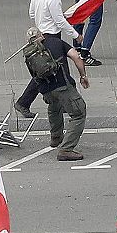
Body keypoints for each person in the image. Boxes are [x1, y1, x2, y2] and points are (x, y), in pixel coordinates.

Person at [13, 0, 82, 116]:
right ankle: (24, 102)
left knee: (51, 70)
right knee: (50, 71)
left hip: (40, 35)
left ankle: (63, 102)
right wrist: (76, 34)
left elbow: (32, 13)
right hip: (52, 37)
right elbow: (60, 22)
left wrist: (40, 24)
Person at [32, 28, 89, 161]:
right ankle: (66, 149)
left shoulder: (29, 52)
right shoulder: (56, 42)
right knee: (79, 113)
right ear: (42, 35)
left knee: (54, 105)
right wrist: (83, 76)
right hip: (62, 86)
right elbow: (76, 57)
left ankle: (56, 137)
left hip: (46, 89)